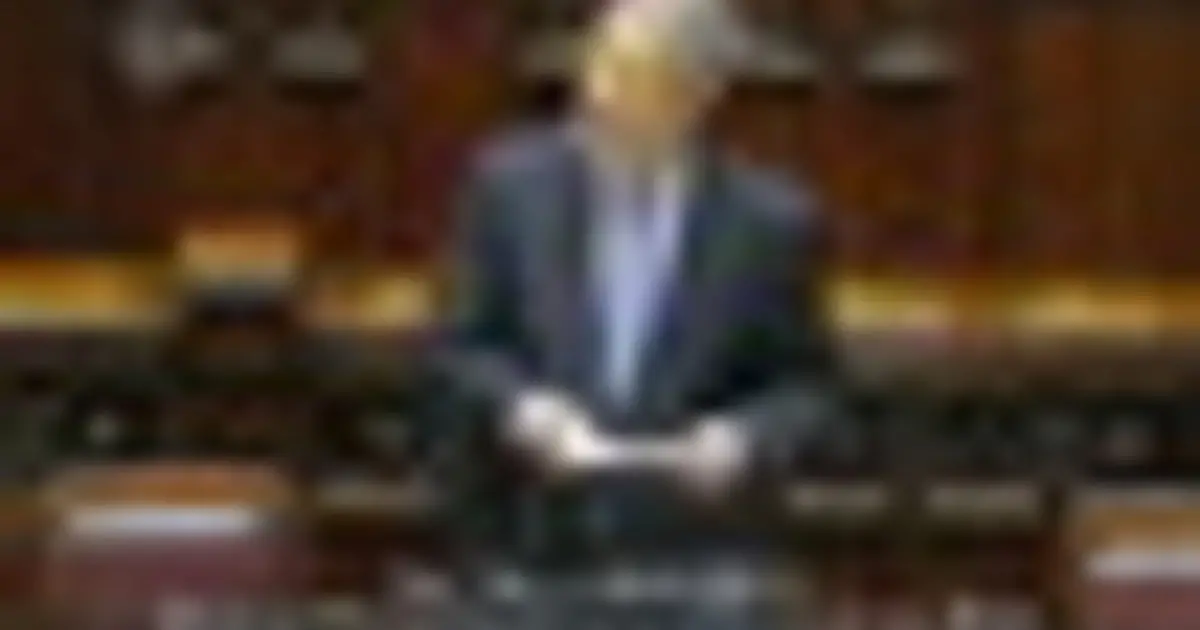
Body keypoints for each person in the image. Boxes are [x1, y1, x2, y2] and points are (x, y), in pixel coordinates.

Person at [428, 0, 836, 627]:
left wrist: (740, 440)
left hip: (698, 570)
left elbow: (807, 388)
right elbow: (460, 350)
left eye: (633, 81)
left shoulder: (770, 224)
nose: (598, 97)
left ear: (699, 98)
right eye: (599, 67)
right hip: (536, 558)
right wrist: (526, 410)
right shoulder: (510, 190)